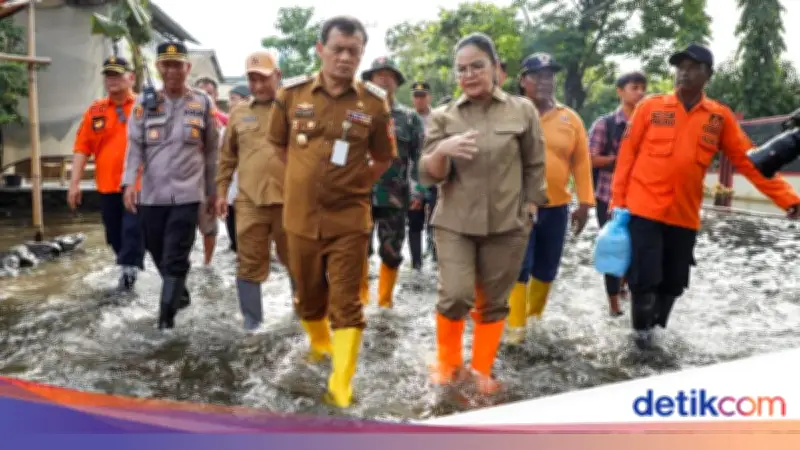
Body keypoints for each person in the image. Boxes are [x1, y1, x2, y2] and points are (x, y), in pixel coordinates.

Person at [610, 44, 800, 349]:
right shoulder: (651, 107)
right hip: (643, 210)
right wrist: (617, 206)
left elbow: (751, 164)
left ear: (707, 74)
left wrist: (789, 199)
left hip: (683, 216)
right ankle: (640, 343)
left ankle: (657, 335)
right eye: (679, 66)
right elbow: (626, 158)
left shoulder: (718, 118)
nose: (683, 72)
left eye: (692, 66)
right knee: (644, 281)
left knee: (672, 284)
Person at [266, 16, 396, 408]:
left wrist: (356, 184)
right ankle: (320, 345)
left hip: (349, 219)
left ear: (361, 54)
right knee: (307, 297)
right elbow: (278, 145)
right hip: (301, 218)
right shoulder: (291, 95)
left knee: (346, 303)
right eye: (337, 49)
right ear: (320, 49)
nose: (345, 58)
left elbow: (383, 156)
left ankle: (341, 382)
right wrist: (304, 181)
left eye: (353, 51)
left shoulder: (373, 102)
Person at [418, 32, 547, 393]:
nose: (469, 75)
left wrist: (532, 206)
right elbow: (427, 173)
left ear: (496, 69)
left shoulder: (522, 110)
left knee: (492, 303)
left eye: (477, 66)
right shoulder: (444, 116)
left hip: (508, 223)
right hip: (455, 223)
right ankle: (447, 365)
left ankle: (481, 371)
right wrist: (442, 149)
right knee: (456, 295)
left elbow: (535, 162)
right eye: (461, 70)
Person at [121, 41, 219, 329]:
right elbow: (135, 146)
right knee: (157, 252)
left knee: (176, 255)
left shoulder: (203, 102)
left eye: (178, 65)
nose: (172, 70)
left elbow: (213, 150)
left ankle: (165, 324)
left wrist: (213, 192)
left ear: (188, 68)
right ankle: (180, 295)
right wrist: (129, 183)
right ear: (159, 67)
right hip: (152, 195)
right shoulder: (145, 102)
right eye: (167, 64)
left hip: (188, 194)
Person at [505, 52, 595, 345]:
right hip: (518, 205)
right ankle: (515, 330)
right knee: (520, 265)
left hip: (557, 208)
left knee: (547, 267)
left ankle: (534, 321)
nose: (545, 81)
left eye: (549, 75)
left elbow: (581, 162)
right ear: (523, 81)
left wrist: (585, 203)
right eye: (537, 75)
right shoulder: (510, 112)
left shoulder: (570, 118)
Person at [216, 51, 293, 332]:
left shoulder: (296, 108)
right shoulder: (239, 112)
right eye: (252, 79)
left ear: (278, 76)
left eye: (264, 79)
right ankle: (252, 324)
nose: (258, 86)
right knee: (247, 263)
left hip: (291, 203)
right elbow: (227, 158)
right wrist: (222, 192)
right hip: (249, 202)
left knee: (298, 261)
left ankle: (304, 317)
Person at [68, 56, 145, 291]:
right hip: (107, 187)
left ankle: (128, 283)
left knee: (133, 232)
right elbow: (82, 148)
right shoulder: (96, 110)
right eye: (108, 75)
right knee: (114, 235)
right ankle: (129, 270)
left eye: (118, 75)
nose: (112, 80)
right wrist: (74, 184)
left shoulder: (145, 107)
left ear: (130, 78)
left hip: (139, 186)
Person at [359, 57, 425, 306]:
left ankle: (385, 302)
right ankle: (360, 301)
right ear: (369, 81)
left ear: (396, 82)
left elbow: (419, 158)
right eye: (378, 75)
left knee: (391, 250)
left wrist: (419, 191)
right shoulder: (356, 113)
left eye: (389, 75)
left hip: (394, 196)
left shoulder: (410, 118)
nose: (384, 79)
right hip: (358, 194)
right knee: (357, 249)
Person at [588, 71, 647, 317]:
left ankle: (626, 291)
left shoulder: (651, 123)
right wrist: (619, 161)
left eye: (643, 88)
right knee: (613, 249)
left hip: (643, 199)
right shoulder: (606, 124)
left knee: (638, 250)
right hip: (608, 198)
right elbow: (589, 158)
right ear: (620, 91)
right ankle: (614, 306)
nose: (640, 93)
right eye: (634, 87)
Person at [194, 77, 226, 265]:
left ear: (216, 95)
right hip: (188, 178)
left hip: (211, 177)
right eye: (201, 92)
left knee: (209, 224)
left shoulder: (223, 120)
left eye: (209, 93)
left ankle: (208, 262)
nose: (205, 96)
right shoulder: (186, 116)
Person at [406, 81, 432, 271]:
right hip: (413, 178)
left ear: (429, 97)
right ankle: (416, 262)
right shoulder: (406, 118)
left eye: (423, 95)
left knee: (438, 219)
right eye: (416, 96)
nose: (419, 99)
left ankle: (438, 258)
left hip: (436, 176)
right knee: (415, 218)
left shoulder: (439, 118)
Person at [222, 85, 251, 252]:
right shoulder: (226, 130)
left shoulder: (259, 127)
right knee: (235, 245)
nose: (229, 103)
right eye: (229, 99)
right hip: (231, 195)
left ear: (246, 100)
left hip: (251, 196)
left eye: (233, 99)